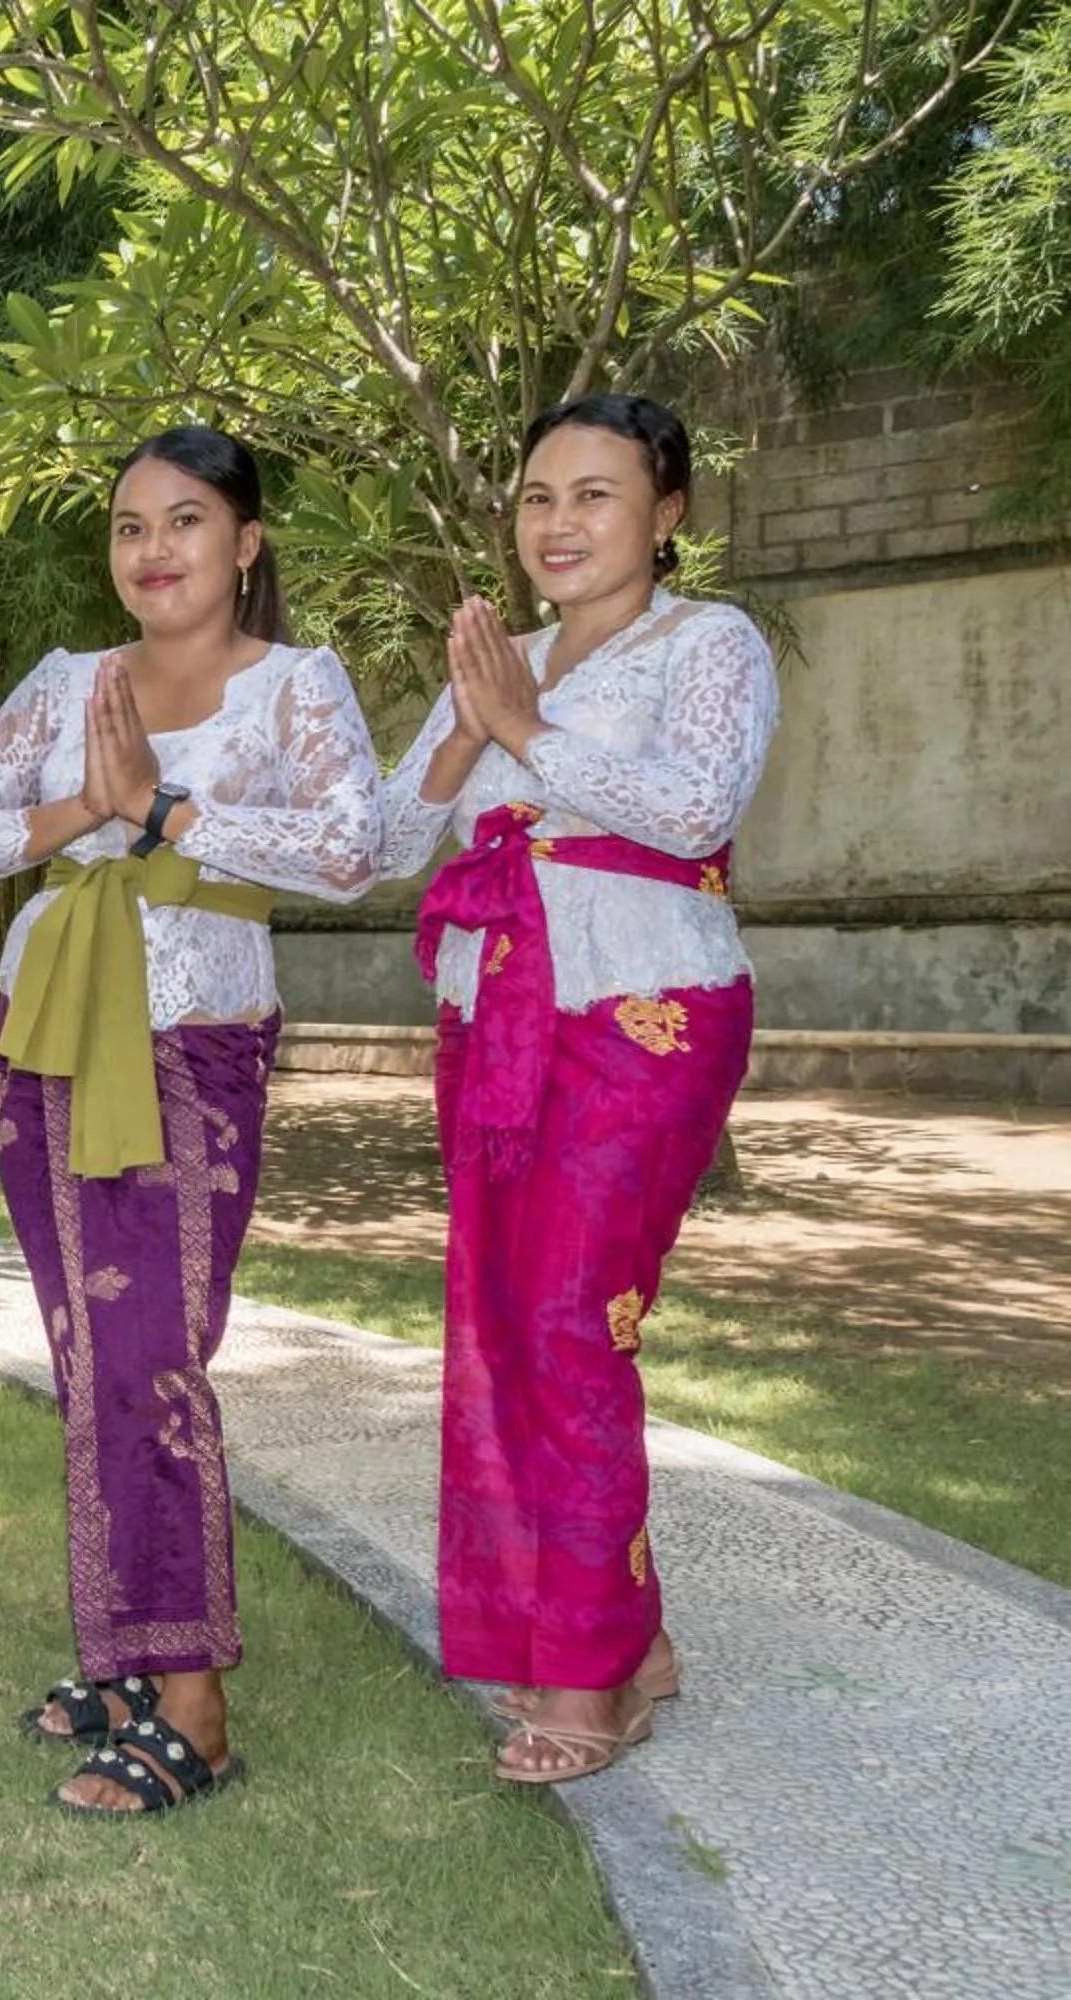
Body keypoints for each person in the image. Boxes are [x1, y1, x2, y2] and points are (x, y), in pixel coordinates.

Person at [0, 425, 383, 1816]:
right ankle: (122, 1661)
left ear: (246, 542)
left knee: (154, 1359)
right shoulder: (68, 683)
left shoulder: (297, 685)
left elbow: (352, 847)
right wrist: (84, 809)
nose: (154, 550)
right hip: (46, 1034)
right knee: (86, 1356)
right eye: (130, 526)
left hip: (194, 1041)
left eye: (186, 521)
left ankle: (196, 1703)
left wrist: (164, 811)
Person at [378, 391, 776, 1784]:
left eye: (597, 495)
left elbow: (694, 809)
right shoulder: (504, 651)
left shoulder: (709, 643)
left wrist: (528, 732)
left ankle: (586, 1673)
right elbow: (383, 836)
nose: (560, 522)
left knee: (569, 1317)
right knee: (501, 1317)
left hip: (646, 1007)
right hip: (495, 1014)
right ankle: (630, 1639)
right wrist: (465, 730)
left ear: (667, 517)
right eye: (541, 494)